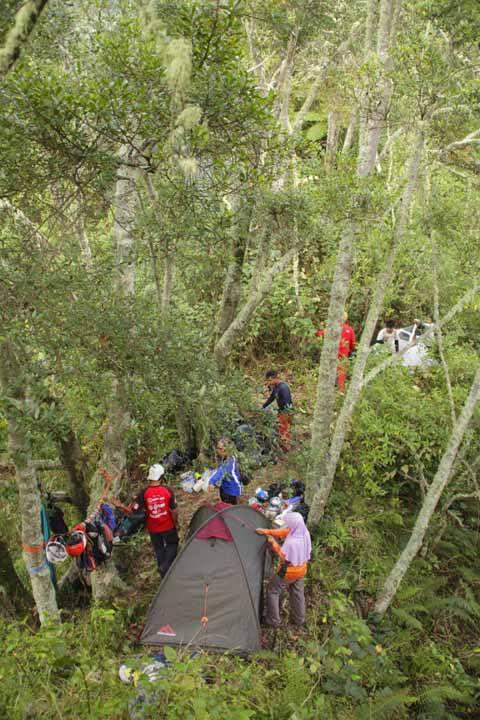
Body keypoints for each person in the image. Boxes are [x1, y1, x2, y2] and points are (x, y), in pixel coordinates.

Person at [256, 512, 311, 629]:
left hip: (288, 572)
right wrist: (267, 531)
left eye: (289, 524)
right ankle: (299, 619)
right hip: (302, 569)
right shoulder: (303, 532)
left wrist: (273, 543)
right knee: (298, 593)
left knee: (272, 590)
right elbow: (285, 532)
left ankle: (273, 620)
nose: (288, 526)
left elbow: (283, 555)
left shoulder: (292, 543)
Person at [134, 463, 179, 578]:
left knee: (159, 548)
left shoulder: (144, 493)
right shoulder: (167, 491)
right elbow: (174, 510)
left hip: (153, 528)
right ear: (161, 477)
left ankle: (163, 572)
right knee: (172, 544)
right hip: (167, 525)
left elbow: (135, 509)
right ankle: (165, 566)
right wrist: (176, 523)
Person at [315, 312, 356, 391]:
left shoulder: (333, 328)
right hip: (343, 355)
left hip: (332, 353)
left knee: (329, 371)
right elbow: (353, 344)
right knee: (341, 373)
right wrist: (349, 350)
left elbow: (321, 334)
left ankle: (327, 389)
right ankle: (341, 391)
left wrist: (316, 332)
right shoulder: (349, 329)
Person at [262, 369, 294, 451]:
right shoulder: (276, 387)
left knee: (285, 430)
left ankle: (286, 448)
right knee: (281, 429)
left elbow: (288, 402)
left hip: (285, 412)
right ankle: (283, 446)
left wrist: (288, 414)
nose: (268, 383)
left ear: (272, 378)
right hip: (281, 411)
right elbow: (271, 398)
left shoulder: (283, 388)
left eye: (269, 381)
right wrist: (263, 407)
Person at [208, 438, 242, 505]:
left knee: (232, 510)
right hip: (225, 488)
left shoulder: (230, 460)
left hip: (232, 491)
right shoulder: (224, 457)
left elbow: (222, 470)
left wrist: (212, 482)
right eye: (217, 448)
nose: (217, 450)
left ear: (225, 449)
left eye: (219, 448)